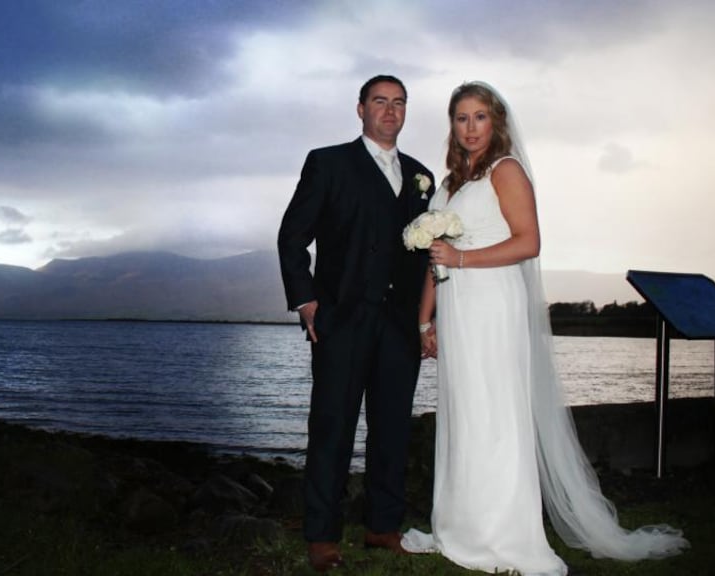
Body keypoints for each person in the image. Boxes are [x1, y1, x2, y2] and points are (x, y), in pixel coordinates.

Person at [401, 81, 689, 575]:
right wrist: (426, 319)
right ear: (451, 125)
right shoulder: (448, 184)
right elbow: (435, 259)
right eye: (461, 118)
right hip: (459, 307)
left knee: (497, 415)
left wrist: (463, 258)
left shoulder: (505, 171)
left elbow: (529, 242)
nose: (469, 128)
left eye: (479, 117)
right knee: (464, 413)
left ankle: (506, 534)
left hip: (493, 304)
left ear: (496, 122)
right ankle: (458, 527)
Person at [277, 74, 435, 572]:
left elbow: (430, 255)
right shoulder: (328, 163)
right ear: (361, 108)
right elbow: (291, 237)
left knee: (391, 429)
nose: (390, 111)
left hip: (399, 325)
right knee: (332, 427)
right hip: (341, 320)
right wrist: (306, 301)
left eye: (399, 103)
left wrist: (428, 322)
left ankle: (381, 526)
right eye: (380, 102)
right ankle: (321, 535)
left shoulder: (420, 176)